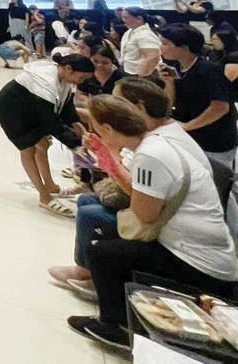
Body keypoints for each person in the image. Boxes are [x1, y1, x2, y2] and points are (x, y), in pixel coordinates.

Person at [68, 94, 238, 351]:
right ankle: (115, 299)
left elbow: (143, 215)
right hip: (201, 248)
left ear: (107, 129)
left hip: (199, 263)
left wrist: (109, 156)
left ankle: (116, 327)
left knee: (102, 251)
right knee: (106, 231)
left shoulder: (150, 157)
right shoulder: (158, 140)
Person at [0, 54, 95, 215]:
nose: (81, 81)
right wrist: (76, 145)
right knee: (28, 149)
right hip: (13, 110)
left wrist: (78, 128)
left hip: (32, 109)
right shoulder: (45, 82)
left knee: (43, 144)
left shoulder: (63, 78)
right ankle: (44, 196)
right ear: (68, 69)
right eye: (81, 77)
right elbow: (51, 123)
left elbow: (67, 110)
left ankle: (50, 185)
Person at [160, 24, 238, 176]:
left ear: (184, 47)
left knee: (217, 181)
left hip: (214, 137)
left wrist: (188, 126)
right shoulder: (175, 67)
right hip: (191, 134)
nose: (160, 47)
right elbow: (171, 102)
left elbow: (221, 107)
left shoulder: (208, 70)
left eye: (165, 43)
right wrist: (168, 82)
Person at [117, 6, 160, 76]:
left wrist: (141, 77)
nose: (123, 20)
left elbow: (153, 57)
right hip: (129, 72)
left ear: (139, 19)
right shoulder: (130, 31)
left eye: (126, 17)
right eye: (122, 17)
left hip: (140, 76)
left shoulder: (145, 35)